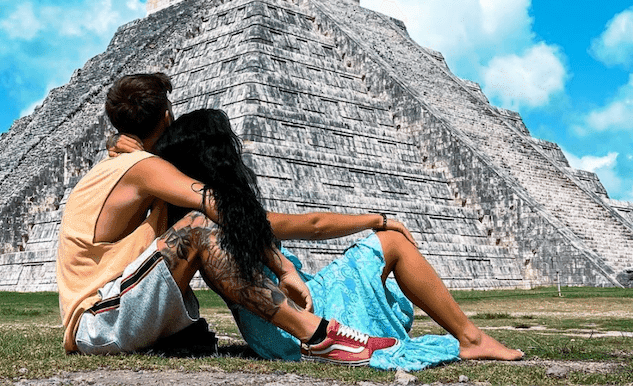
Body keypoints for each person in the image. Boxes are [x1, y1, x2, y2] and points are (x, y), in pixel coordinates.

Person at [111, 106, 524, 369]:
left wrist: (129, 154)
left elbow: (125, 197)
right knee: (393, 243)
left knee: (378, 248)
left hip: (271, 333)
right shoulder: (230, 217)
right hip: (300, 321)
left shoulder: (177, 215)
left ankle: (469, 337)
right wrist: (376, 219)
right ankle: (470, 338)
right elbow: (314, 225)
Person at [56, 73, 397, 366]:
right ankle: (318, 334)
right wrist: (282, 267)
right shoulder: (142, 167)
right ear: (166, 115)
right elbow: (213, 201)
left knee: (200, 224)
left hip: (110, 315)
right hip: (99, 322)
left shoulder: (127, 165)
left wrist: (120, 142)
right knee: (200, 225)